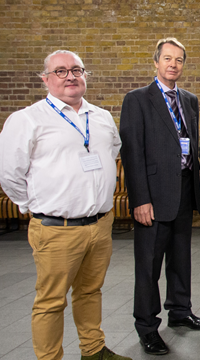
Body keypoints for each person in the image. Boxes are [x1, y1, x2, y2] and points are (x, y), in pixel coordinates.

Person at [0, 50, 129, 360]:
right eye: (60, 71)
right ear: (46, 79)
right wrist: (32, 206)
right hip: (57, 228)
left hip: (99, 224)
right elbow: (8, 173)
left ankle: (93, 350)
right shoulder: (27, 119)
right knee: (51, 301)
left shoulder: (100, 117)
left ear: (85, 76)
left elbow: (111, 153)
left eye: (76, 70)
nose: (70, 76)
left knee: (90, 292)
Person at [120, 38, 200, 356]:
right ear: (156, 62)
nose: (174, 64)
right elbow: (132, 154)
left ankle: (180, 311)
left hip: (183, 190)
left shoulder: (189, 99)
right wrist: (139, 200)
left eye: (179, 60)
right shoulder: (137, 100)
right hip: (153, 197)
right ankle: (147, 327)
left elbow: (188, 143)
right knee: (149, 266)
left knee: (180, 259)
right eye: (168, 59)